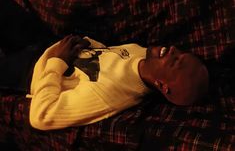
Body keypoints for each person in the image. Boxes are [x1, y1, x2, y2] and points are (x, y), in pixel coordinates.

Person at [28, 35, 209, 130]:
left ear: (162, 85)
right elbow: (105, 55)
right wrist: (86, 43)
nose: (172, 49)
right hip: (48, 46)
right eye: (179, 53)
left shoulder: (110, 94)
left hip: (29, 71)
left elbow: (41, 116)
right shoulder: (141, 54)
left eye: (175, 62)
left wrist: (58, 62)